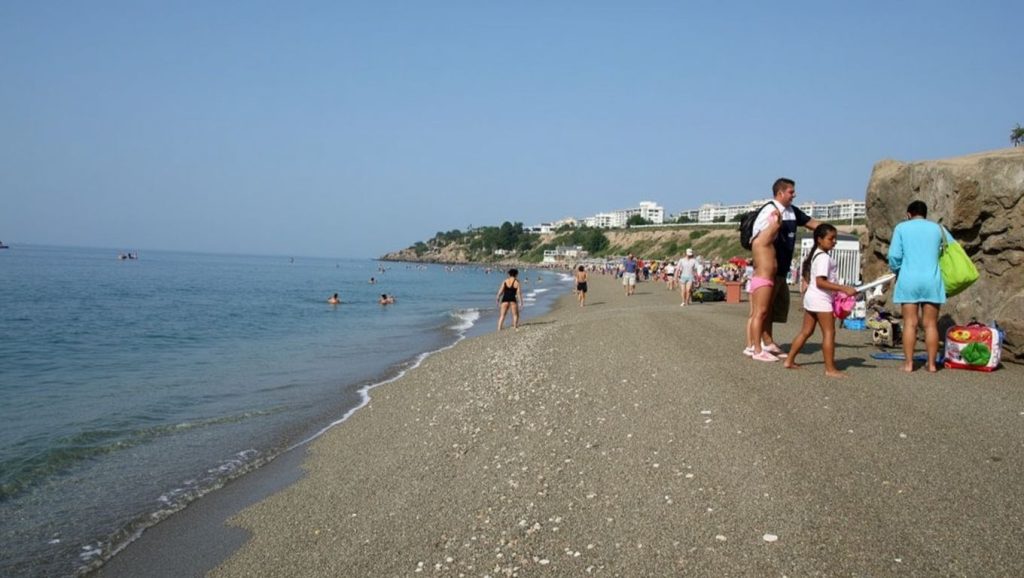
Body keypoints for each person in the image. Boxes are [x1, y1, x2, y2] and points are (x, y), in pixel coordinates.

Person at [753, 178, 823, 357]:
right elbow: (759, 240)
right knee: (764, 308)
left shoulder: (792, 211)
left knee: (774, 306)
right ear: (780, 193)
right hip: (769, 269)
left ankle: (767, 341)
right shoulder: (771, 211)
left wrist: (831, 231)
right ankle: (761, 343)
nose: (795, 195)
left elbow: (812, 223)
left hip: (782, 268)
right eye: (791, 192)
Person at [784, 224, 857, 376]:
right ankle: (830, 369)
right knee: (829, 333)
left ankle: (789, 360)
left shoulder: (816, 254)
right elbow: (820, 282)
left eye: (835, 238)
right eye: (831, 238)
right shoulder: (823, 257)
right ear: (819, 239)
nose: (834, 241)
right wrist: (843, 288)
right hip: (820, 300)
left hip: (812, 298)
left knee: (806, 332)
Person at [888, 200, 949, 373]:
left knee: (910, 323)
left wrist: (897, 269)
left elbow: (894, 256)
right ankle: (931, 365)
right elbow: (949, 249)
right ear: (925, 214)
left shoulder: (901, 228)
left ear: (909, 214)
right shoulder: (938, 228)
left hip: (909, 279)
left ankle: (908, 364)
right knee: (930, 324)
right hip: (932, 279)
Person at [745, 205, 783, 361]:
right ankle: (757, 350)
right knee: (759, 314)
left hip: (761, 279)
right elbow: (773, 229)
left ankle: (755, 347)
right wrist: (776, 220)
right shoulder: (761, 240)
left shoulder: (758, 241)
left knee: (758, 314)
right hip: (763, 279)